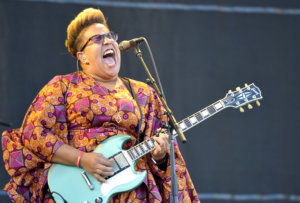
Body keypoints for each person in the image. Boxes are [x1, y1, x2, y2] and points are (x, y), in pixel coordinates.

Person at [1, 8, 200, 202]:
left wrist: (160, 157)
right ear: (82, 57)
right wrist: (82, 159)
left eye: (110, 35)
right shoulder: (63, 85)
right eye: (97, 39)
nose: (108, 40)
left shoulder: (142, 93)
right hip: (79, 192)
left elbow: (163, 150)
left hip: (133, 193)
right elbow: (33, 133)